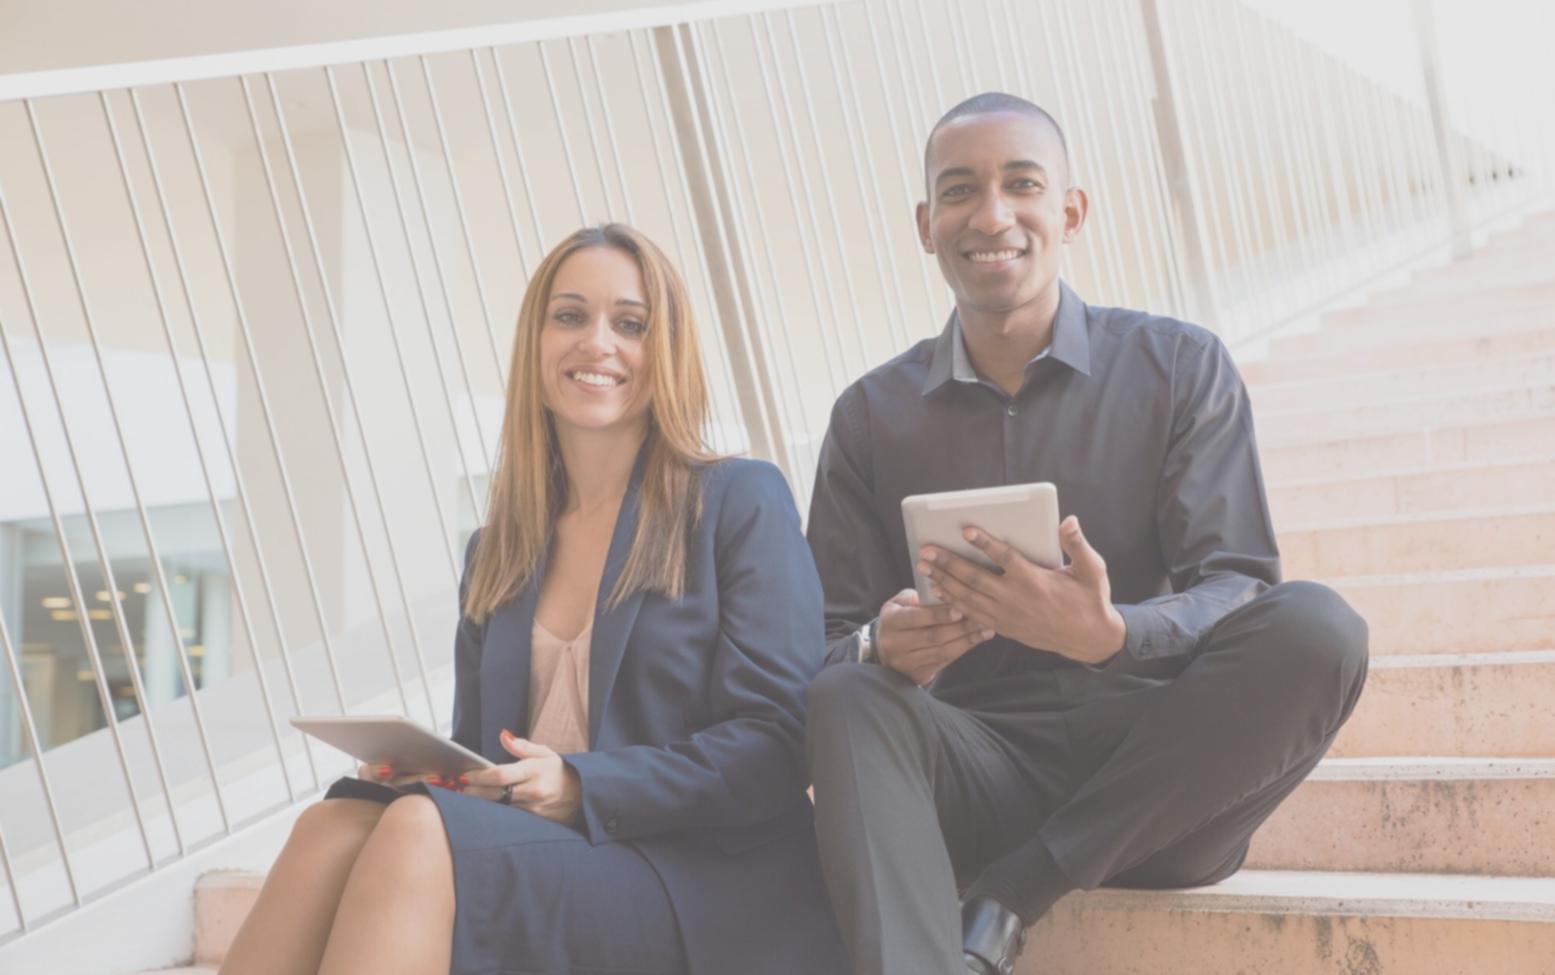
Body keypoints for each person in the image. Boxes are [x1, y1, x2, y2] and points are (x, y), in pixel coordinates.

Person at [803, 92, 1369, 975]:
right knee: (849, 697)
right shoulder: (869, 418)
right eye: (959, 191)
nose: (991, 215)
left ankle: (1012, 896)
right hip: (975, 777)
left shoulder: (1179, 365)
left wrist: (1111, 635)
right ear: (924, 223)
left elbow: (1238, 582)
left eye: (1020, 184)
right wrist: (888, 647)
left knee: (1317, 626)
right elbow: (827, 647)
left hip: (1165, 786)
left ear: (1070, 212)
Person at [219, 224, 847, 975]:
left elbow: (776, 743)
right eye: (570, 316)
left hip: (701, 875)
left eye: (630, 323)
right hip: (555, 852)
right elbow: (487, 748)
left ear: (666, 348)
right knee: (331, 825)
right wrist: (444, 774)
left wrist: (582, 783)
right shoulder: (501, 545)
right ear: (536, 342)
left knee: (420, 832)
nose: (597, 343)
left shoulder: (737, 499)